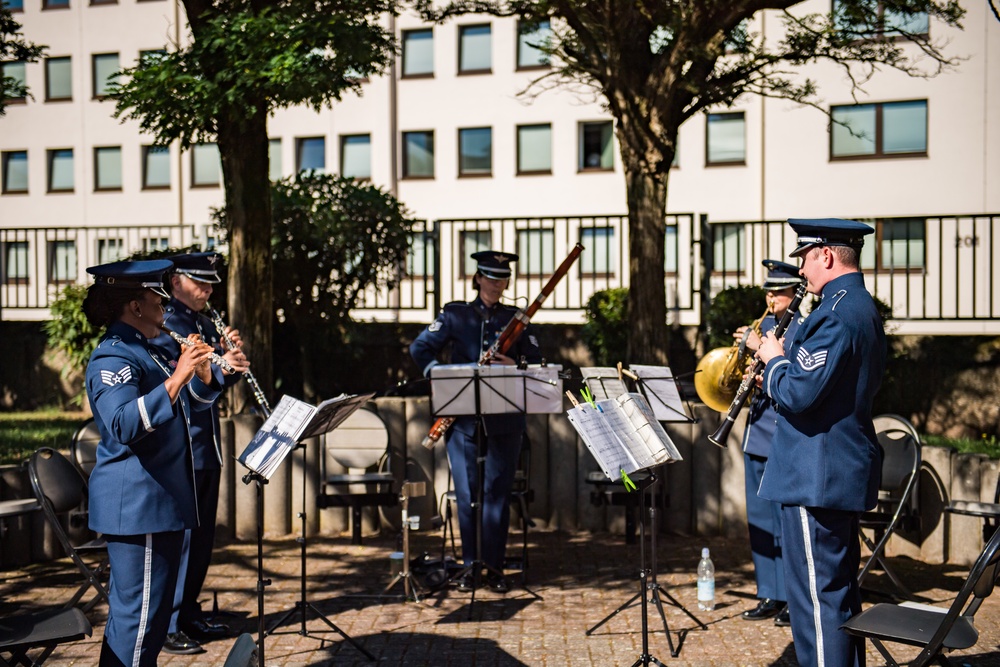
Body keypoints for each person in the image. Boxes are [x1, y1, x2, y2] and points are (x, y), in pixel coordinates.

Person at [756, 218, 886, 667]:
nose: (804, 273)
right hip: (829, 471)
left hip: (816, 475)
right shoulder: (858, 307)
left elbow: (798, 393)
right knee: (838, 596)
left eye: (806, 260)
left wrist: (773, 361)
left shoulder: (835, 313)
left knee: (817, 602)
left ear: (826, 255)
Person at [83, 259, 221, 666]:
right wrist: (178, 376)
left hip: (158, 505)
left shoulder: (144, 351)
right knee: (138, 623)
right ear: (135, 306)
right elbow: (124, 424)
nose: (165, 305)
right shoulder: (113, 357)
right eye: (156, 297)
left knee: (151, 622)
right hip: (137, 507)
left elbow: (185, 407)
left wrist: (203, 376)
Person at [409, 250, 542, 594]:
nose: (496, 285)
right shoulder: (456, 315)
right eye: (490, 278)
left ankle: (494, 568)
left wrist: (513, 363)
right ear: (478, 278)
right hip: (463, 418)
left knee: (497, 494)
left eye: (502, 279)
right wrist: (443, 375)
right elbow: (420, 349)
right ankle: (471, 567)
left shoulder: (518, 319)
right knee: (468, 496)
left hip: (505, 419)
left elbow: (538, 360)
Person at [151, 251, 249, 654]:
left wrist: (231, 364)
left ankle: (188, 612)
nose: (209, 289)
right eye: (200, 282)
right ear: (176, 282)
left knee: (203, 538)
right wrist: (220, 365)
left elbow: (213, 387)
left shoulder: (204, 322)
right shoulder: (166, 324)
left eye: (211, 283)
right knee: (186, 539)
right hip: (184, 447)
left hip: (207, 446)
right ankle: (170, 623)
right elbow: (181, 387)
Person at [733, 259, 804, 627]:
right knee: (760, 520)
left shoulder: (803, 330)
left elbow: (796, 382)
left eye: (778, 290)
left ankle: (794, 598)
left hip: (781, 435)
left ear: (795, 292)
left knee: (784, 524)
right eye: (769, 289)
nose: (770, 295)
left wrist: (760, 348)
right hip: (756, 431)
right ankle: (769, 593)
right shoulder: (764, 326)